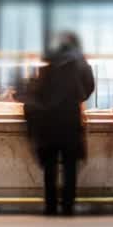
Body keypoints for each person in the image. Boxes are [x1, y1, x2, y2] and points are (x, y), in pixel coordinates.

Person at [22, 32, 95, 216]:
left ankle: (51, 206)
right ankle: (68, 206)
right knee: (70, 167)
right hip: (70, 121)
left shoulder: (47, 64)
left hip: (49, 123)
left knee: (50, 167)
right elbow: (88, 89)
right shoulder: (80, 63)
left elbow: (36, 92)